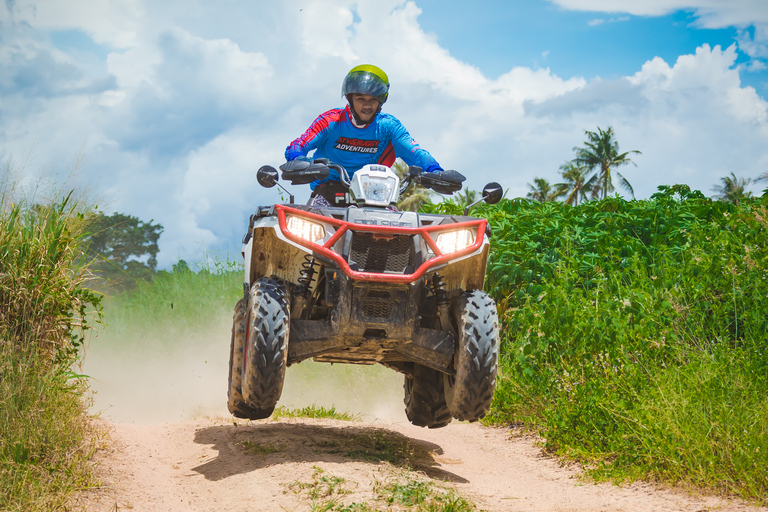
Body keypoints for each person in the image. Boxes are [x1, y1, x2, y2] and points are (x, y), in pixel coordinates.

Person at [284, 64, 444, 206]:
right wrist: (298, 159)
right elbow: (298, 145)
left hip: (378, 198)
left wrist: (435, 170)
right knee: (306, 233)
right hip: (328, 195)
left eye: (373, 99)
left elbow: (415, 153)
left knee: (408, 233)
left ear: (381, 100)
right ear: (350, 98)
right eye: (361, 99)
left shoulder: (389, 127)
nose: (367, 105)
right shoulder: (330, 121)